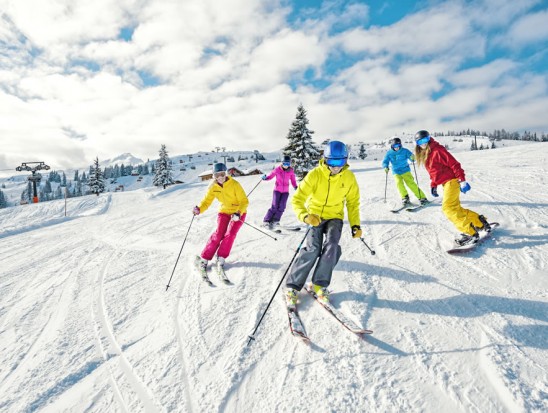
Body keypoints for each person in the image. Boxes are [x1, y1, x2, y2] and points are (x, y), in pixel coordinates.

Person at [285, 140, 362, 306]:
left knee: (332, 246)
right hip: (315, 216)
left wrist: (356, 224)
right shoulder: (315, 175)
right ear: (325, 160)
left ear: (346, 160)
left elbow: (353, 203)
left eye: (340, 162)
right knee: (313, 249)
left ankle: (319, 284)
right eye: (332, 162)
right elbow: (297, 199)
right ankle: (293, 286)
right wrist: (305, 216)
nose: (336, 167)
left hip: (335, 216)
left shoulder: (349, 177)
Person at [414, 130, 491, 246]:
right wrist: (433, 185)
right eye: (420, 142)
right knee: (456, 208)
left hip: (452, 181)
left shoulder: (437, 150)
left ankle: (470, 233)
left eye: (425, 140)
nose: (424, 143)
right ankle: (480, 222)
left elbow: (454, 164)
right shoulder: (426, 154)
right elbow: (434, 172)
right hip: (446, 183)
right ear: (417, 144)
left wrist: (462, 180)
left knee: (448, 208)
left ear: (429, 138)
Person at [192, 162, 249, 271]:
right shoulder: (213, 187)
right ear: (213, 176)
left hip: (238, 213)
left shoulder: (235, 184)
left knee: (230, 234)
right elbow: (206, 202)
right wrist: (199, 209)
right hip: (224, 211)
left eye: (222, 174)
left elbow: (244, 201)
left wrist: (238, 212)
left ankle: (221, 257)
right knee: (219, 233)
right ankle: (204, 258)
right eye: (217, 175)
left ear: (226, 173)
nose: (220, 177)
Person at [382, 137, 428, 206]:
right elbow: (385, 161)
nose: (396, 148)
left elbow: (411, 157)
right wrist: (385, 166)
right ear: (392, 146)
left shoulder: (405, 151)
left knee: (411, 184)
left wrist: (412, 158)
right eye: (395, 146)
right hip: (396, 171)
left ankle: (422, 198)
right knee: (399, 183)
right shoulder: (389, 153)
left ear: (400, 145)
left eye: (398, 146)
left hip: (405, 170)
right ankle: (405, 198)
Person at [261, 155, 298, 229]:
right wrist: (265, 178)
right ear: (282, 163)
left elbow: (293, 180)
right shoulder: (277, 169)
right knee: (274, 206)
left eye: (288, 164)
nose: (286, 165)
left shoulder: (291, 171)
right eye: (284, 163)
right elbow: (271, 176)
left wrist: (295, 186)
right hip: (277, 190)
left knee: (282, 207)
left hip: (285, 192)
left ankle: (276, 220)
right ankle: (266, 221)